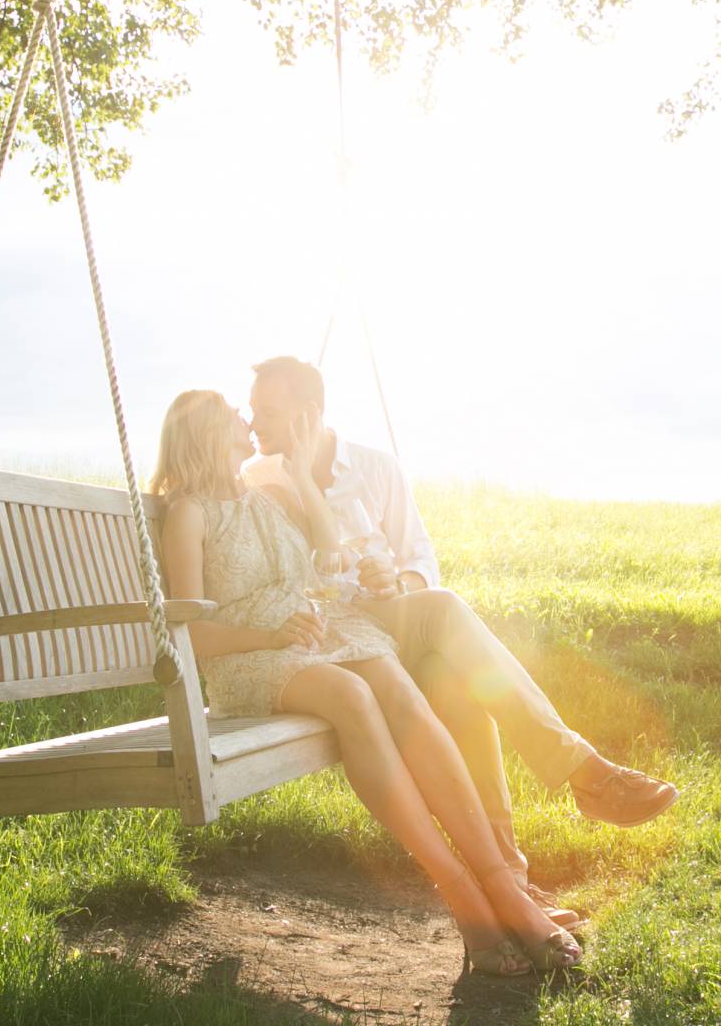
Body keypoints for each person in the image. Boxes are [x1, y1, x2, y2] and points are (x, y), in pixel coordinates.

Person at [152, 389, 583, 975]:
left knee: (399, 690)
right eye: (233, 410)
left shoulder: (268, 494)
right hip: (250, 658)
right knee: (354, 695)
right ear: (204, 429)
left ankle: (504, 888)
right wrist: (271, 635)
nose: (247, 418)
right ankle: (461, 894)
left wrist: (302, 476)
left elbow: (329, 555)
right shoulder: (189, 512)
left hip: (317, 636)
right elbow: (192, 632)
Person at [242, 356, 678, 907]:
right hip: (334, 638)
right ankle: (578, 786)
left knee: (444, 642)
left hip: (389, 619)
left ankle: (519, 873)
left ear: (308, 415)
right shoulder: (259, 479)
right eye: (254, 410)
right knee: (448, 651)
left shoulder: (377, 468)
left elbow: (420, 557)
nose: (255, 422)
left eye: (268, 412)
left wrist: (396, 580)